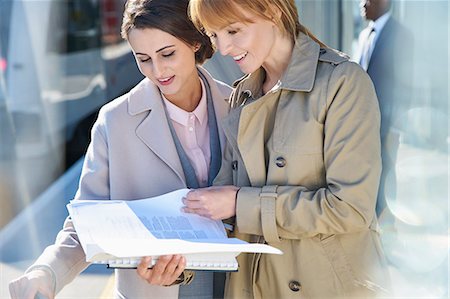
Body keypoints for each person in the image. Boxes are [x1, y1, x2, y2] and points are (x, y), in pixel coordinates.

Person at [8, 0, 231, 298]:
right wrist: (46, 272)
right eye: (143, 59)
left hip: (236, 287)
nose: (158, 70)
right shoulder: (115, 121)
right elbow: (87, 222)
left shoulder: (241, 106)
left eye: (167, 54)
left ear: (194, 41)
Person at [183, 0, 391, 298]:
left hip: (328, 286)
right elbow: (224, 205)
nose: (224, 48)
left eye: (233, 31)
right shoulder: (242, 94)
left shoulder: (342, 82)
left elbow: (350, 208)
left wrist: (240, 203)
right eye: (214, 35)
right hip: (251, 286)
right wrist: (177, 254)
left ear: (272, 11)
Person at [357, 0, 414, 216]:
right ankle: (369, 212)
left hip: (387, 122)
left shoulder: (401, 36)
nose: (361, 4)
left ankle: (386, 217)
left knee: (386, 169)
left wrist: (398, 127)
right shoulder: (364, 36)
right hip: (363, 121)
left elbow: (405, 84)